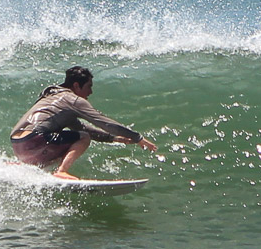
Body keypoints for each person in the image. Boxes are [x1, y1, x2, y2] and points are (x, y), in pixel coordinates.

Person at [10, 66, 157, 179]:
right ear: (76, 86)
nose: (91, 92)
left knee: (68, 143)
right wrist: (138, 138)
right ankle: (62, 171)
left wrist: (112, 139)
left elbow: (79, 127)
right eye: (89, 86)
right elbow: (104, 123)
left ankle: (23, 166)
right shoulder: (73, 100)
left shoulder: (51, 97)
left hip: (18, 143)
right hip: (36, 139)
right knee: (83, 138)